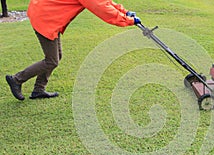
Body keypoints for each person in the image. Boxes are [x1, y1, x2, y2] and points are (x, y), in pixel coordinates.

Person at [6, 0, 141, 100]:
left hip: (47, 14)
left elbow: (105, 2)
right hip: (45, 18)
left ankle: (38, 90)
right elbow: (103, 10)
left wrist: (124, 12)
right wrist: (129, 20)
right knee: (52, 60)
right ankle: (17, 79)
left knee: (56, 56)